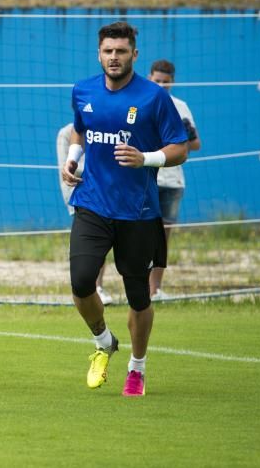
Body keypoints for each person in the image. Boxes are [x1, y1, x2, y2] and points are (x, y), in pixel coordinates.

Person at [61, 21, 187, 397]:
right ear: (99, 53)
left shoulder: (154, 98)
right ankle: (103, 341)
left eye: (121, 51)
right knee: (81, 281)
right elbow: (80, 130)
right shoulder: (82, 90)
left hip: (139, 212)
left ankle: (137, 367)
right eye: (107, 51)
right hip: (92, 205)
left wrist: (145, 158)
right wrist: (73, 157)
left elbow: (179, 148)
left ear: (134, 53)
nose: (113, 57)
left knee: (138, 297)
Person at [147, 59, 201, 298]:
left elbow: (195, 145)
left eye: (165, 82)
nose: (160, 85)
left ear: (172, 83)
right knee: (139, 235)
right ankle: (136, 288)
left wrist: (185, 132)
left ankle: (155, 289)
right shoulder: (139, 102)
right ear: (149, 78)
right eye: (156, 81)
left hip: (172, 182)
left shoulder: (180, 107)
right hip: (145, 178)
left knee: (163, 238)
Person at [56, 123, 113, 305]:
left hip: (108, 196)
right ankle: (89, 288)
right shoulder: (66, 134)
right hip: (79, 197)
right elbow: (67, 167)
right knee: (87, 247)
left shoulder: (106, 127)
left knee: (103, 245)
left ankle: (98, 287)